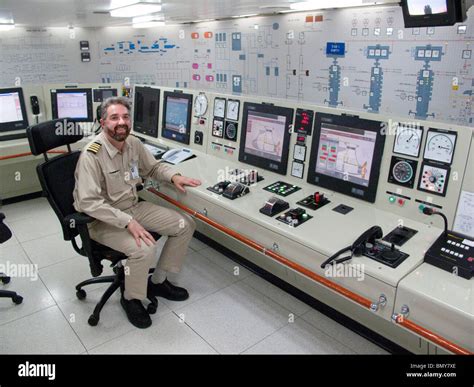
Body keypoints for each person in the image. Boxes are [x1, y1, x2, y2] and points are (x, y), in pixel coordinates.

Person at [73, 96, 201, 329]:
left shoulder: (133, 143)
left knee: (185, 224)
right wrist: (127, 222)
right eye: (114, 118)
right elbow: (88, 202)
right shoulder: (91, 154)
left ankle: (159, 282)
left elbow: (152, 167)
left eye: (125, 116)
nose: (121, 122)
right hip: (102, 219)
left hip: (133, 207)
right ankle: (131, 298)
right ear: (103, 123)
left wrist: (174, 176)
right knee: (144, 248)